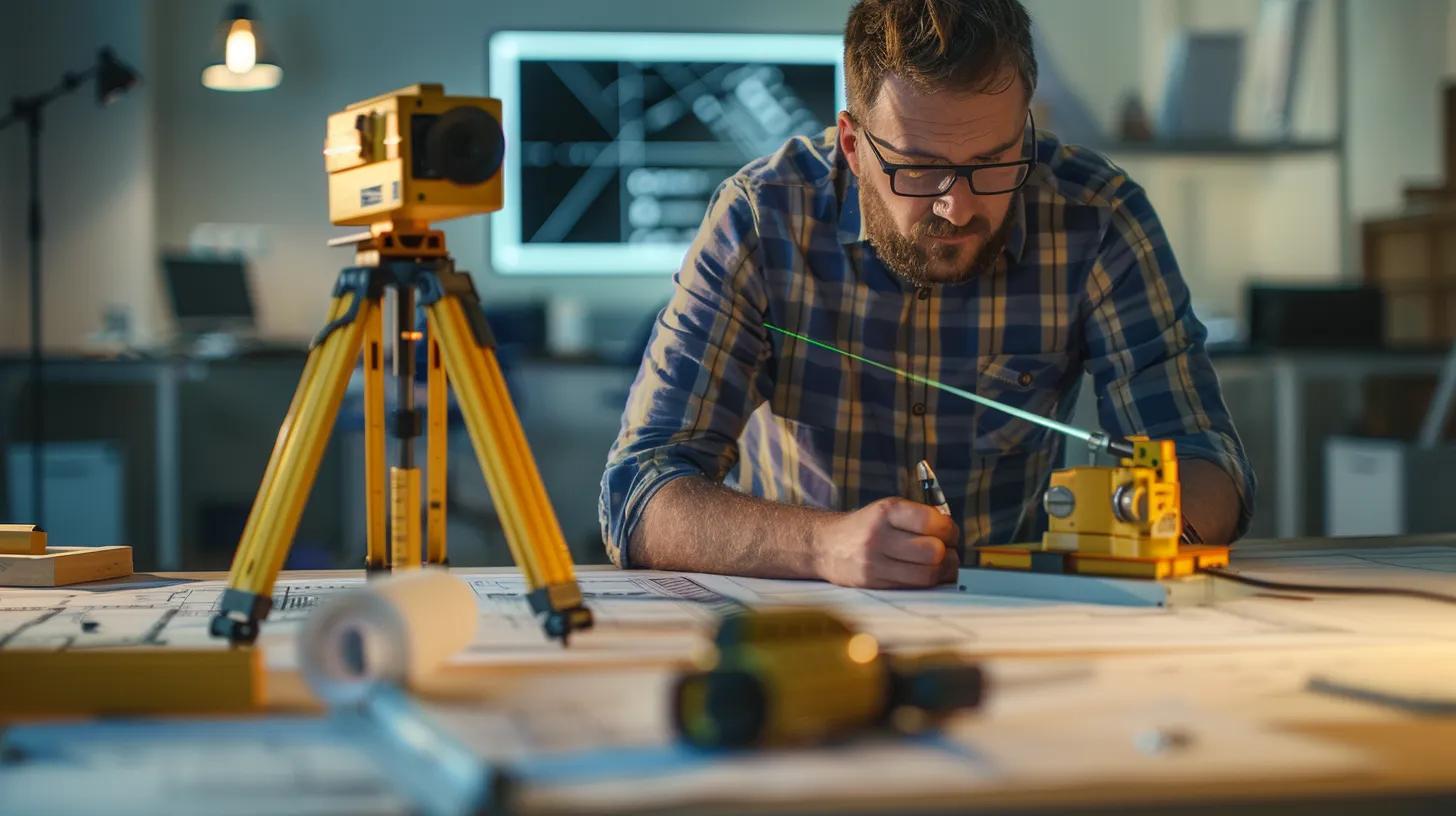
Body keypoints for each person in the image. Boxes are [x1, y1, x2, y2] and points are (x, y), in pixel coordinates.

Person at [599, 0, 1254, 589]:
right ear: (854, 146)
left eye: (994, 162)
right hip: (803, 615)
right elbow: (638, 493)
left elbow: (1202, 456)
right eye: (920, 168)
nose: (958, 205)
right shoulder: (762, 218)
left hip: (1025, 620)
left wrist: (1150, 525)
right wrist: (823, 546)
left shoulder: (1098, 216)